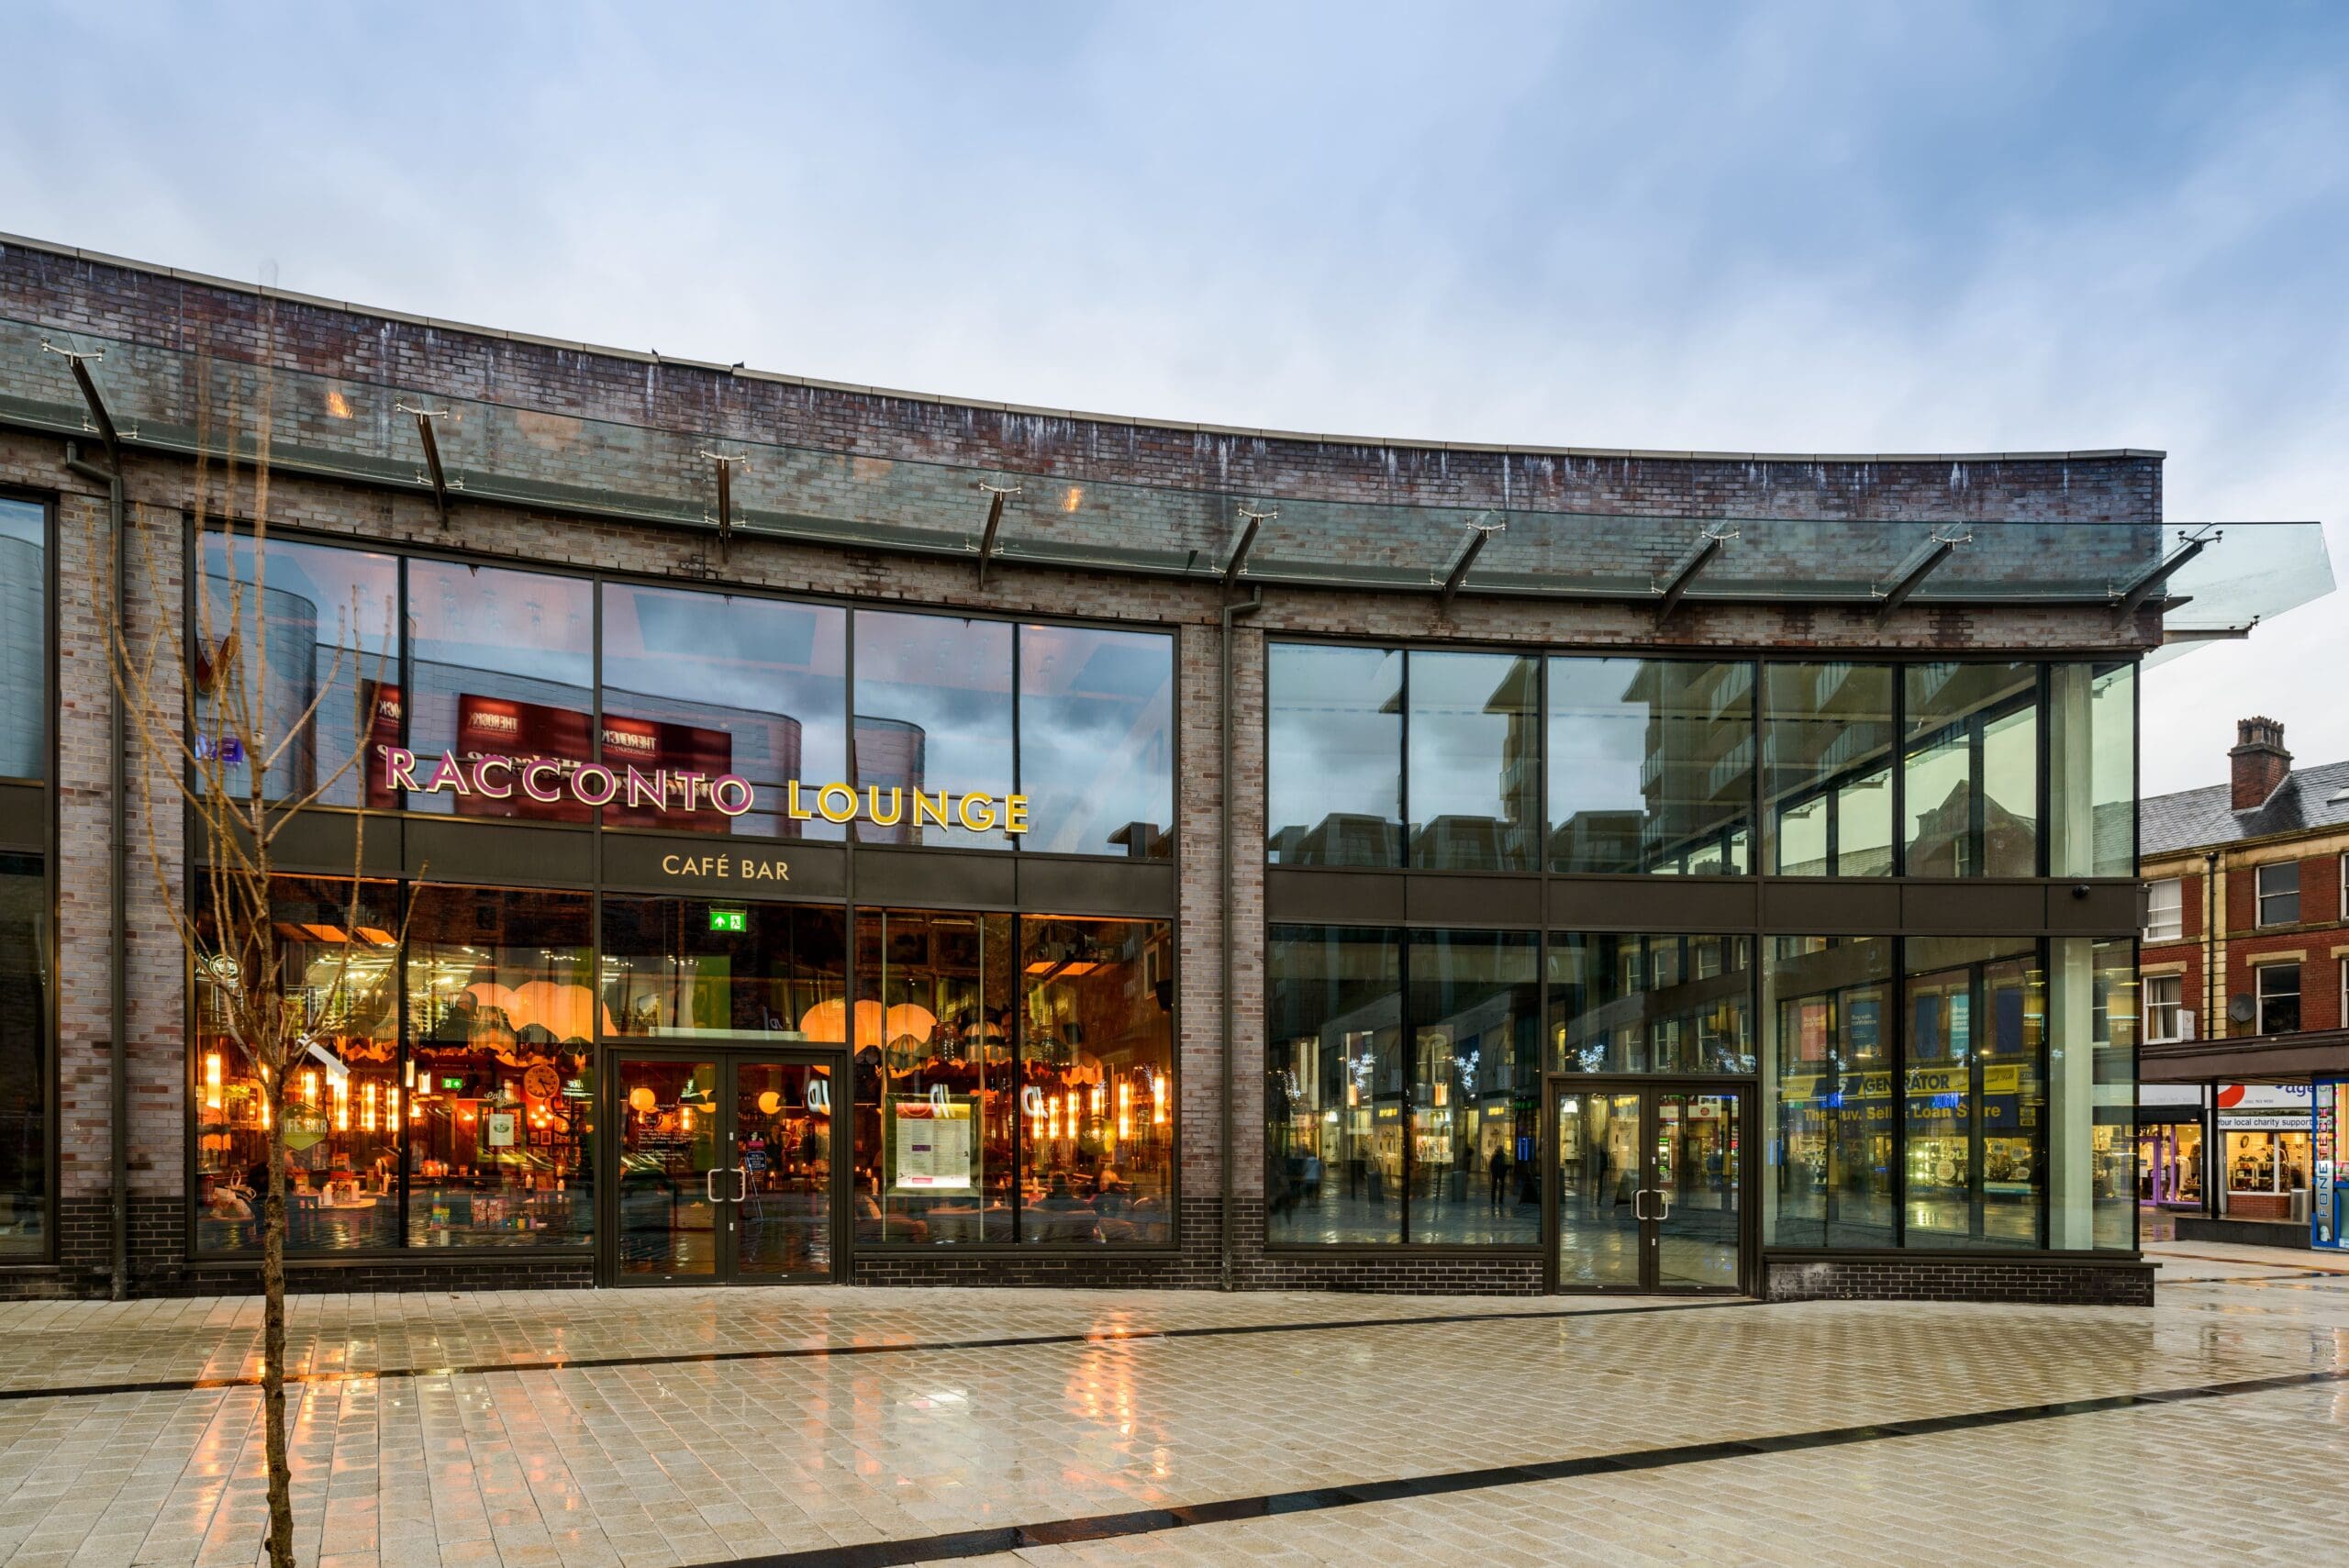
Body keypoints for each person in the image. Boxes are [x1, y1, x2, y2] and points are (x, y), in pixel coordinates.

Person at [1488, 1146, 1512, 1214]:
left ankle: (1496, 1200)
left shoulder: (1496, 1156)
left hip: (1498, 1174)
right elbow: (1491, 1165)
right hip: (1499, 1174)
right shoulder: (1498, 1156)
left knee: (1496, 1187)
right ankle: (1498, 1200)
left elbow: (1491, 1165)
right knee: (1498, 1187)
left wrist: (1493, 1171)